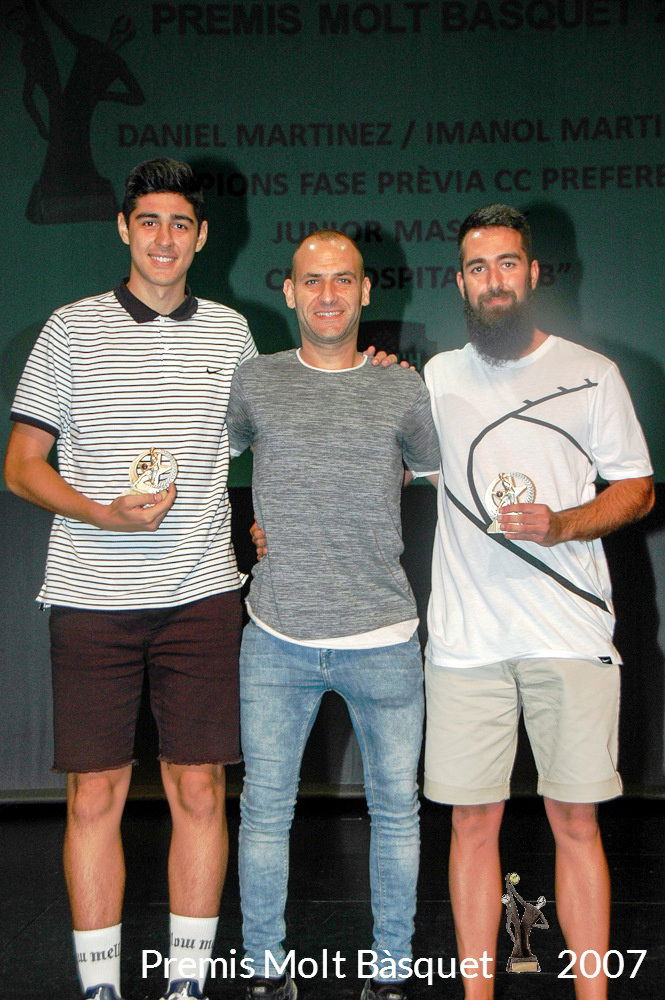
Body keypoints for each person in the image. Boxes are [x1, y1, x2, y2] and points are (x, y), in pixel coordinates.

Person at [4, 158, 258, 1000]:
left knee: (199, 788)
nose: (163, 238)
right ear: (123, 228)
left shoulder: (230, 334)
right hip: (92, 597)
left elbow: (272, 446)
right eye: (147, 221)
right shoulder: (69, 329)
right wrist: (99, 512)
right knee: (94, 796)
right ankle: (102, 986)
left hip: (200, 594)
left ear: (202, 237)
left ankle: (186, 983)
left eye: (180, 223)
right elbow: (21, 465)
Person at [422, 204, 654, 999]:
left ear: (532, 273)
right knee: (470, 825)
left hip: (569, 633)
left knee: (576, 823)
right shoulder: (432, 379)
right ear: (460, 281)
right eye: (477, 268)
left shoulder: (593, 373)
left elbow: (635, 489)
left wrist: (561, 524)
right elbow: (368, 468)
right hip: (464, 644)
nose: (494, 281)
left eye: (507, 265)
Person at [225, 230, 440, 1000]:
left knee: (396, 815)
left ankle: (388, 974)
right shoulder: (254, 383)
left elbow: (438, 469)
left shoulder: (400, 389)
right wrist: (248, 526)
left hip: (383, 638)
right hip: (275, 637)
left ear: (364, 291)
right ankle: (262, 974)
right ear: (288, 290)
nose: (326, 294)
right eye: (312, 280)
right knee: (262, 816)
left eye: (341, 280)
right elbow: (218, 458)